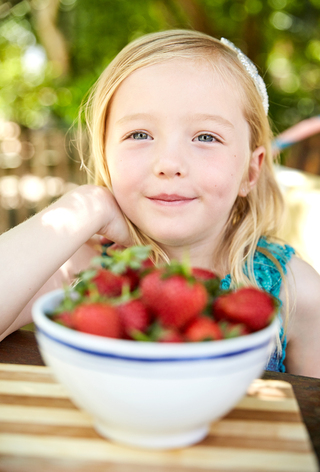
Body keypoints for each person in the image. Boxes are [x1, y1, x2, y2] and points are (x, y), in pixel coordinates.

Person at [1, 30, 320, 377]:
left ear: (250, 171)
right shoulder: (80, 265)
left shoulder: (293, 291)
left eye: (206, 137)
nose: (169, 163)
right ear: (105, 158)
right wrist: (88, 204)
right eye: (139, 134)